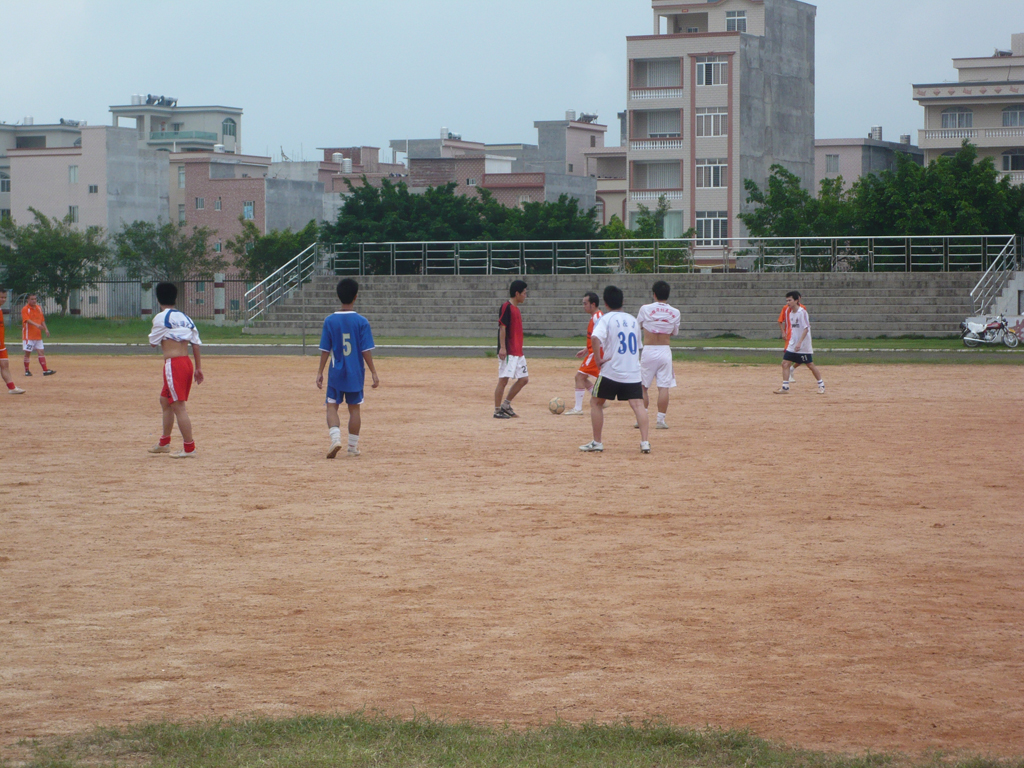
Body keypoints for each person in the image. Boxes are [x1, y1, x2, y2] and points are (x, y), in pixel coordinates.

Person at [580, 285, 650, 454]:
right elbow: (638, 346)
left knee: (596, 402)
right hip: (632, 371)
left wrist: (598, 360)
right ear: (622, 301)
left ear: (605, 303)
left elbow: (595, 337)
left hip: (611, 370)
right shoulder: (633, 320)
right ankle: (645, 442)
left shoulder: (606, 319)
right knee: (638, 405)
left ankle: (597, 442)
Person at [316, 277, 379, 458]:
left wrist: (320, 372)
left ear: (338, 296)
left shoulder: (330, 321)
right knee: (354, 409)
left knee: (331, 406)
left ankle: (335, 438)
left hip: (336, 371)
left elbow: (325, 349)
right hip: (355, 372)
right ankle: (352, 447)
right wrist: (374, 372)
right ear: (355, 296)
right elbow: (366, 350)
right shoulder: (362, 322)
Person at [147, 282, 204, 457]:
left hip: (173, 364)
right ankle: (164, 442)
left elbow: (153, 342)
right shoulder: (186, 318)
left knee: (178, 406)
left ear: (158, 299)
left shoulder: (160, 318)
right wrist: (198, 368)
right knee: (165, 401)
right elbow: (195, 343)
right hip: (187, 363)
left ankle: (189, 448)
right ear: (175, 298)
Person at [636, 280, 680, 429]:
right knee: (663, 387)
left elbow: (638, 326)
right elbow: (674, 332)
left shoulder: (645, 309)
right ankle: (660, 420)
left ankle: (642, 418)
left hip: (649, 349)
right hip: (664, 350)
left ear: (654, 294)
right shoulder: (675, 312)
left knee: (643, 386)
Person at [775, 291, 824, 395]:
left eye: (790, 300)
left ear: (796, 300)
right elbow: (793, 329)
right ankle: (785, 387)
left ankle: (821, 385)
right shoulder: (790, 313)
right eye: (787, 300)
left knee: (810, 364)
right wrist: (792, 341)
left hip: (803, 343)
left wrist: (800, 342)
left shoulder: (802, 312)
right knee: (785, 363)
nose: (788, 302)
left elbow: (806, 328)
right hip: (793, 343)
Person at [494, 279, 528, 419]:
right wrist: (503, 348)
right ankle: (497, 410)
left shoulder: (517, 309)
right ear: (517, 293)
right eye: (524, 293)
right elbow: (502, 327)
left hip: (518, 351)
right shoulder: (506, 307)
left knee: (524, 379)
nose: (525, 295)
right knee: (503, 380)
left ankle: (506, 405)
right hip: (509, 351)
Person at [563, 291, 602, 416]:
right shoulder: (595, 316)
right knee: (582, 378)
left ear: (593, 304)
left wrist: (596, 352)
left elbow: (601, 336)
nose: (583, 306)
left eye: (585, 303)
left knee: (579, 377)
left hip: (595, 353)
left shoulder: (597, 317)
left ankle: (578, 408)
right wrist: (586, 349)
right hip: (593, 351)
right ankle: (599, 397)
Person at [21, 293, 55, 377]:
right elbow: (26, 319)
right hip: (29, 336)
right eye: (32, 299)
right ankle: (27, 370)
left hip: (37, 335)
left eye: (35, 299)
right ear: (28, 300)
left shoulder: (38, 308)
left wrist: (46, 329)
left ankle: (45, 370)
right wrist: (36, 325)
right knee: (28, 353)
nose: (34, 301)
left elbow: (42, 320)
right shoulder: (25, 309)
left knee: (41, 352)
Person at [0, 287, 25, 394]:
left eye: (4, 297)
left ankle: (12, 388)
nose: (3, 299)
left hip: (1, 345)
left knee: (5, 365)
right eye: (1, 297)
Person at [778, 295, 805, 385]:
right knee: (787, 358)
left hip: (799, 336)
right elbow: (780, 321)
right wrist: (783, 332)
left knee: (803, 358)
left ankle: (792, 369)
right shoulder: (786, 308)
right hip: (789, 336)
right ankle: (788, 376)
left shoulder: (803, 309)